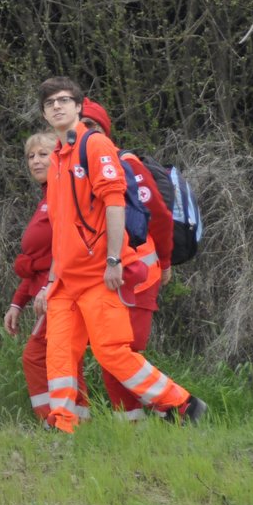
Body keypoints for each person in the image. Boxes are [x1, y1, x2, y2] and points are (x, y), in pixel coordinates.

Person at [34, 76, 206, 432]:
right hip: (66, 280)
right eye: (50, 103)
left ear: (78, 107)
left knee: (112, 351)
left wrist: (114, 259)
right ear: (44, 113)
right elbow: (62, 227)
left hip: (99, 273)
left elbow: (115, 202)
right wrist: (51, 280)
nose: (57, 106)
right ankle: (63, 424)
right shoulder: (56, 160)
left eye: (64, 100)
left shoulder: (94, 145)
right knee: (60, 352)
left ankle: (181, 404)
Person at [76, 98, 177, 421]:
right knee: (112, 353)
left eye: (90, 125)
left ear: (103, 131)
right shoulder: (73, 172)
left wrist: (166, 261)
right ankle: (137, 422)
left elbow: (159, 216)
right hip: (106, 277)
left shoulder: (125, 163)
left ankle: (172, 409)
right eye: (79, 125)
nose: (83, 132)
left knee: (119, 353)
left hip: (137, 274)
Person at [4, 131, 90, 423]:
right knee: (66, 359)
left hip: (65, 291)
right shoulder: (47, 196)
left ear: (59, 157)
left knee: (37, 356)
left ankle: (55, 421)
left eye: (43, 154)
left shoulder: (65, 193)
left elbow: (65, 251)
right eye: (31, 156)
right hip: (46, 289)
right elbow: (38, 263)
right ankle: (78, 421)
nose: (36, 161)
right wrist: (18, 303)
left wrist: (52, 287)